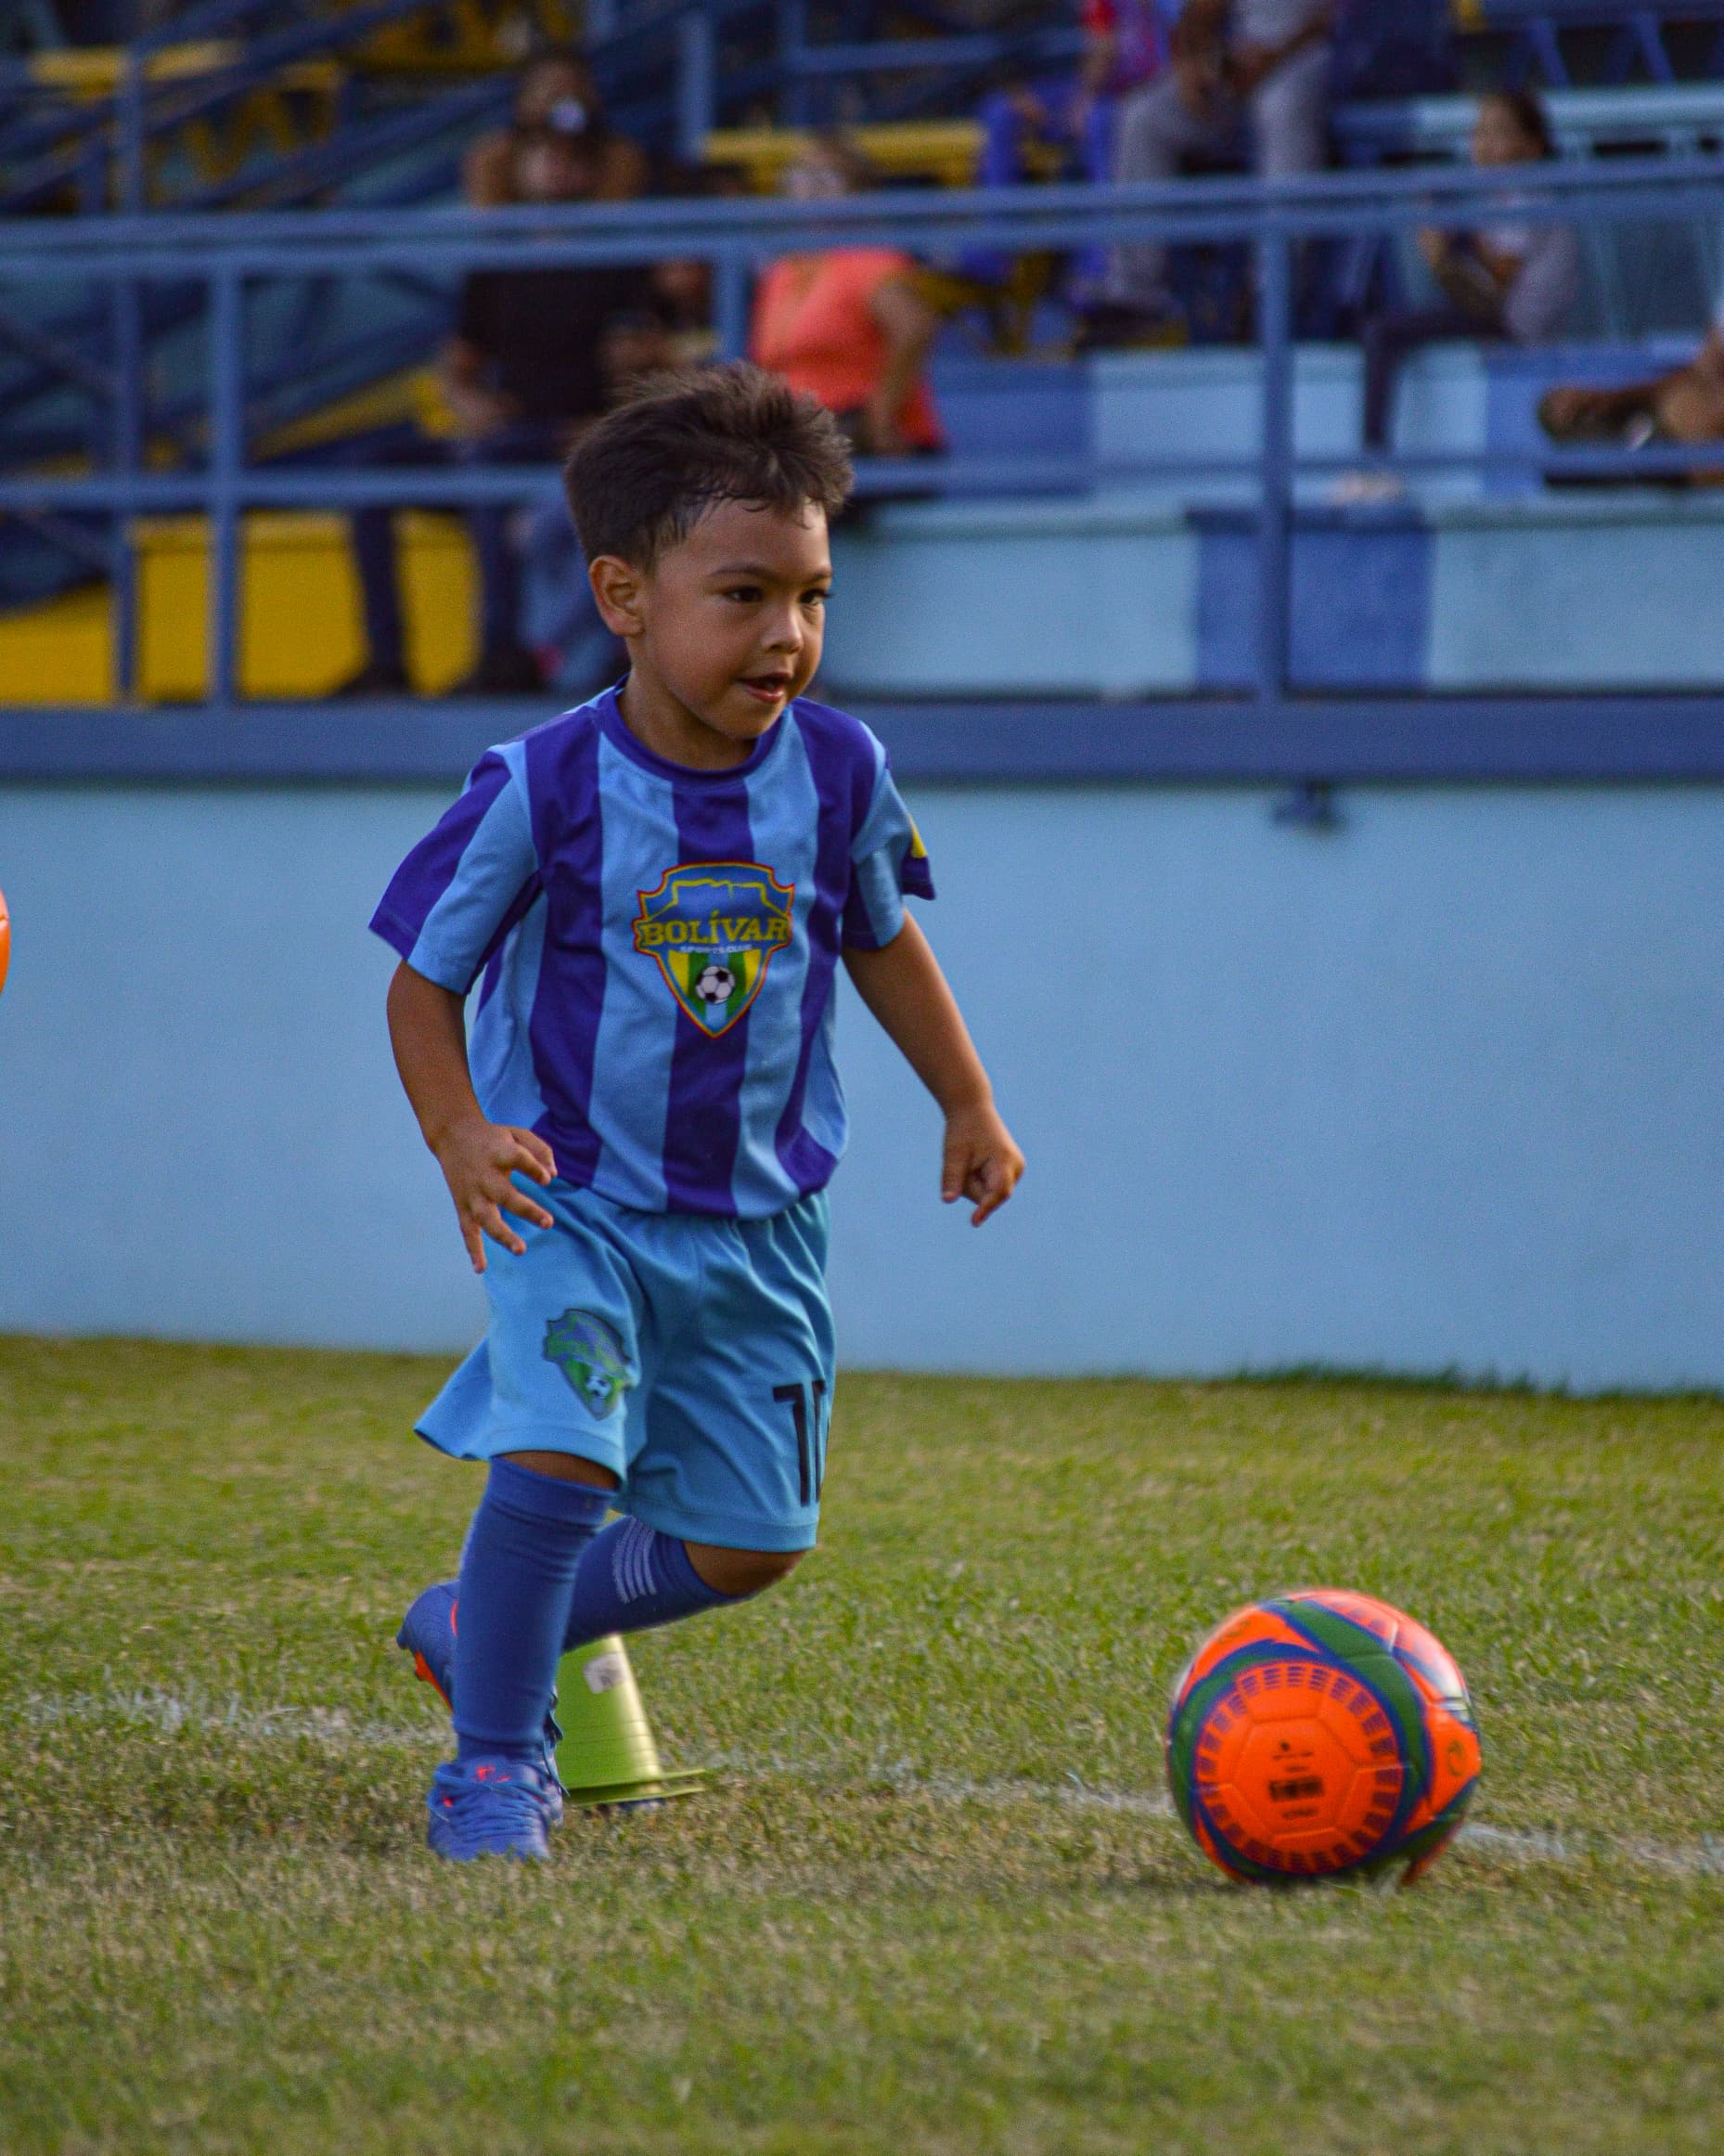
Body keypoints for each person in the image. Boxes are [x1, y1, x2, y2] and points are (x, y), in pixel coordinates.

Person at [368, 364, 1025, 1862]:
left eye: (810, 596)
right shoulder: (541, 782)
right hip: (574, 1201)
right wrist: (461, 1136)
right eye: (742, 595)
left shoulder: (842, 769)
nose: (785, 634)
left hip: (760, 1223)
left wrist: (967, 1097)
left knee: (751, 1541)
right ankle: (494, 1763)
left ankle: (479, 1624)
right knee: (559, 1456)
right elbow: (421, 981)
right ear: (622, 593)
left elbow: (878, 938)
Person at [334, 127, 651, 697]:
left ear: (591, 172)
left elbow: (648, 366)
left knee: (487, 465)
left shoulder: (620, 263)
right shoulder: (498, 261)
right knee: (370, 467)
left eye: (570, 156)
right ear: (520, 167)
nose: (554, 166)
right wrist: (469, 401)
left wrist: (607, 430)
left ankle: (499, 654)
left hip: (575, 438)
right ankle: (386, 659)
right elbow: (459, 365)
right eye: (542, 153)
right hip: (507, 432)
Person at [1343, 89, 1580, 493]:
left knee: (1383, 332)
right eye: (1479, 132)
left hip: (1517, 329)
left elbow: (1488, 298)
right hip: (1503, 318)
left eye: (1499, 132)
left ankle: (1373, 463)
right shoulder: (1502, 197)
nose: (1484, 145)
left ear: (1532, 145)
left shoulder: (1527, 196)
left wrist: (1442, 258)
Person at [1095, 0, 1335, 342]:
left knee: (1282, 107)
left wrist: (1274, 56)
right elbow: (1202, 12)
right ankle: (1137, 295)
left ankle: (1271, 291)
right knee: (1142, 117)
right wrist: (1191, 63)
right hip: (1245, 61)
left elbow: (1339, 14)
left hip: (1314, 51)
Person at [750, 134, 945, 459]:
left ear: (860, 195)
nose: (809, 192)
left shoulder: (872, 260)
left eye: (824, 181)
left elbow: (915, 327)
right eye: (798, 179)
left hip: (860, 438)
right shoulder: (780, 271)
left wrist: (881, 414)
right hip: (794, 437)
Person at [1537, 305, 1724, 486]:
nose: (1590, 403)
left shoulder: (1664, 394)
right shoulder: (1682, 454)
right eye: (1580, 415)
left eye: (1581, 395)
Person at [463, 46, 648, 211]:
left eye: (574, 88)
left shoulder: (618, 157)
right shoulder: (493, 157)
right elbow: (489, 228)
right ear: (524, 99)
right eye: (551, 89)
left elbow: (611, 225)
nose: (563, 102)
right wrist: (534, 196)